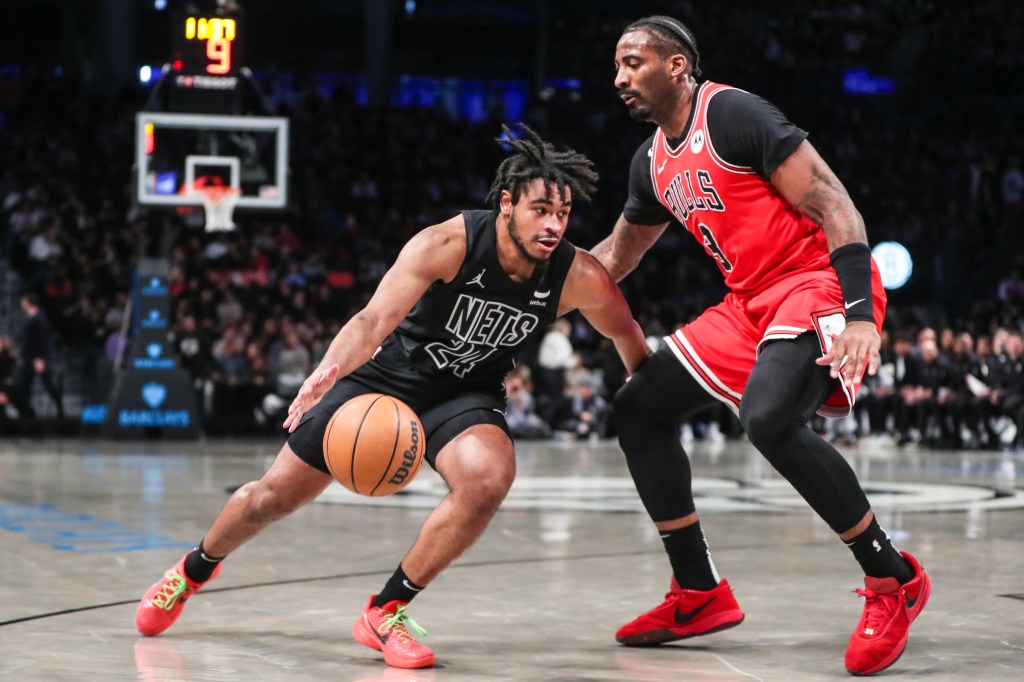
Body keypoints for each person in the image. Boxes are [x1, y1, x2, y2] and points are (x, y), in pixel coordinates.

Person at [134, 125, 650, 670]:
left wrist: (645, 390)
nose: (553, 224)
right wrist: (325, 375)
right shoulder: (449, 243)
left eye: (562, 214)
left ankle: (386, 609)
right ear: (506, 205)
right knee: (271, 498)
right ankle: (191, 570)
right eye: (540, 209)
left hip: (465, 392)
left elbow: (625, 331)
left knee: (489, 479)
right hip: (387, 380)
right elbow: (373, 319)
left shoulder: (576, 275)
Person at [592, 16, 930, 676]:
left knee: (769, 418)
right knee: (638, 408)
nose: (619, 78)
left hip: (818, 281)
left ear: (678, 67)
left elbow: (836, 205)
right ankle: (699, 591)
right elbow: (611, 260)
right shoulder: (650, 163)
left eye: (633, 63)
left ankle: (892, 580)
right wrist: (527, 278)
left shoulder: (732, 114)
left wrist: (861, 315)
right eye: (616, 66)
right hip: (748, 305)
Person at [14, 293, 63, 419]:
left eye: (24, 301)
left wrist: (40, 359)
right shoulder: (29, 318)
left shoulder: (39, 318)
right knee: (24, 385)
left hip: (37, 358)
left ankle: (60, 410)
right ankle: (27, 411)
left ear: (30, 302)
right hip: (28, 357)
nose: (21, 303)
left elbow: (43, 340)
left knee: (48, 383)